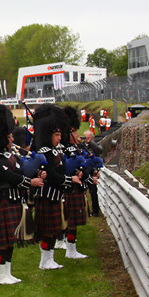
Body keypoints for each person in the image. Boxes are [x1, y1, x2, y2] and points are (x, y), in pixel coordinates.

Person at [0, 105, 45, 284]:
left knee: (10, 239)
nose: (11, 139)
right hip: (2, 200)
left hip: (13, 199)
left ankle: (7, 273)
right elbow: (9, 176)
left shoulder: (9, 155)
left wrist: (36, 174)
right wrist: (29, 182)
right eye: (8, 136)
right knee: (3, 239)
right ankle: (1, 275)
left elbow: (20, 172)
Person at [32, 104, 82, 270]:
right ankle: (45, 261)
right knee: (48, 230)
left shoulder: (54, 151)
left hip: (55, 195)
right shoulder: (45, 152)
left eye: (60, 134)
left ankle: (49, 260)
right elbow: (53, 176)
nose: (60, 138)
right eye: (57, 135)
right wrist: (70, 179)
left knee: (53, 230)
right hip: (48, 195)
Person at [61, 106, 91, 260]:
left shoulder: (74, 148)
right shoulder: (64, 149)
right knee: (70, 221)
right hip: (69, 187)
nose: (77, 135)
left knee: (73, 222)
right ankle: (70, 250)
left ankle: (72, 249)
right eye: (75, 131)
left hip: (76, 186)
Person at [82, 130, 103, 216]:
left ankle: (95, 211)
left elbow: (99, 151)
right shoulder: (81, 145)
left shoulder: (95, 145)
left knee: (93, 192)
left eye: (88, 137)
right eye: (85, 137)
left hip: (92, 171)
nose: (86, 139)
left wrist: (91, 143)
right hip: (83, 170)